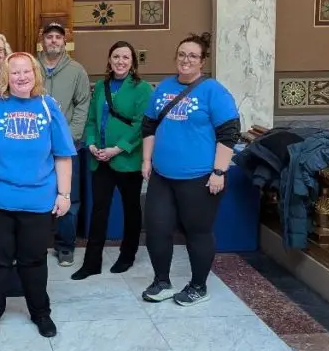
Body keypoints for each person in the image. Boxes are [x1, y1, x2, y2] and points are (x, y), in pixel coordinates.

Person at [0, 52, 75, 339]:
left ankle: (40, 312)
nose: (21, 77)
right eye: (15, 72)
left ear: (35, 75)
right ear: (5, 77)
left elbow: (63, 155)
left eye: (26, 72)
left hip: (37, 200)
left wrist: (65, 194)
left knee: (33, 260)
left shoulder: (48, 107)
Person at [140, 32, 240, 307]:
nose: (186, 60)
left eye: (193, 56)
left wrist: (219, 172)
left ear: (202, 61)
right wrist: (147, 161)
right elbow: (149, 126)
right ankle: (162, 281)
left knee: (198, 232)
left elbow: (229, 134)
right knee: (157, 229)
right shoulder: (162, 88)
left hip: (200, 179)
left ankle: (198, 285)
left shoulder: (213, 91)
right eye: (182, 54)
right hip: (162, 176)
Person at [72, 41, 152, 280]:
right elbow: (92, 120)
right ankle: (92, 262)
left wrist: (117, 149)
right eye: (116, 56)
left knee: (131, 208)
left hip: (126, 160)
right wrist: (92, 143)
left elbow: (141, 125)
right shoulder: (101, 87)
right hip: (100, 159)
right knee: (99, 210)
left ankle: (127, 255)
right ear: (109, 60)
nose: (120, 61)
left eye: (126, 57)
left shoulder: (142, 88)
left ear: (133, 62)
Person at [37, 22, 90, 266]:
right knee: (36, 194)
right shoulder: (30, 67)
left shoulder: (77, 70)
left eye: (58, 37)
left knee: (68, 196)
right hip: (35, 147)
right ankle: (36, 244)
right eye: (50, 37)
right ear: (42, 40)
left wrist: (70, 137)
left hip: (67, 147)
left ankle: (65, 246)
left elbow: (82, 105)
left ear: (64, 41)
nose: (54, 41)